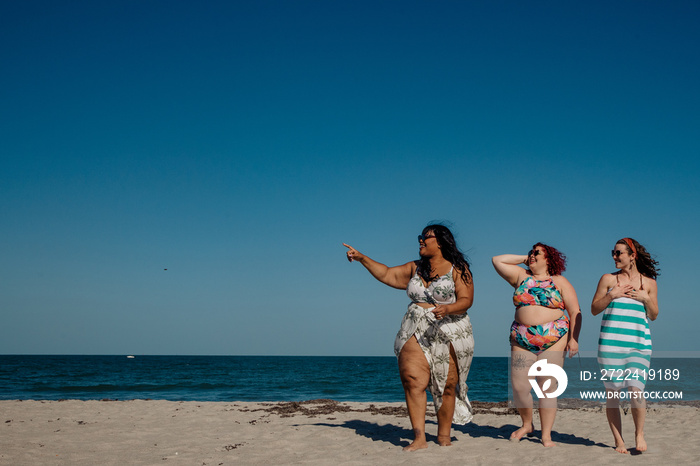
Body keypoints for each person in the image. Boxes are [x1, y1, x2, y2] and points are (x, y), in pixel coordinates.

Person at [343, 224, 475, 451]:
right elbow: (386, 273)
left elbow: (466, 299)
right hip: (415, 327)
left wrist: (448, 308)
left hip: (450, 329)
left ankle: (444, 435)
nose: (421, 241)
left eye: (426, 237)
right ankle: (419, 438)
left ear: (441, 241)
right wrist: (362, 258)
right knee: (412, 380)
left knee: (447, 385)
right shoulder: (414, 267)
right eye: (420, 237)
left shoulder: (458, 268)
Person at [492, 243, 580, 447]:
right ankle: (527, 424)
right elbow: (497, 260)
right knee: (520, 387)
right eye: (531, 252)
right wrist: (526, 258)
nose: (532, 255)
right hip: (522, 338)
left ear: (549, 259)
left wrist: (574, 338)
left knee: (546, 387)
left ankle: (546, 435)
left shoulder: (560, 281)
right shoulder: (521, 276)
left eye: (537, 253)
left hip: (554, 336)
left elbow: (575, 311)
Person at [591, 238, 659, 454]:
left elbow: (654, 315)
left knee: (636, 390)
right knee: (612, 394)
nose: (614, 257)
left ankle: (639, 434)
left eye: (618, 253)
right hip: (610, 345)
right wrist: (612, 295)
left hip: (639, 344)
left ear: (632, 256)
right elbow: (594, 309)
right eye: (613, 252)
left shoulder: (648, 284)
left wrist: (645, 298)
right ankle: (619, 441)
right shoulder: (608, 279)